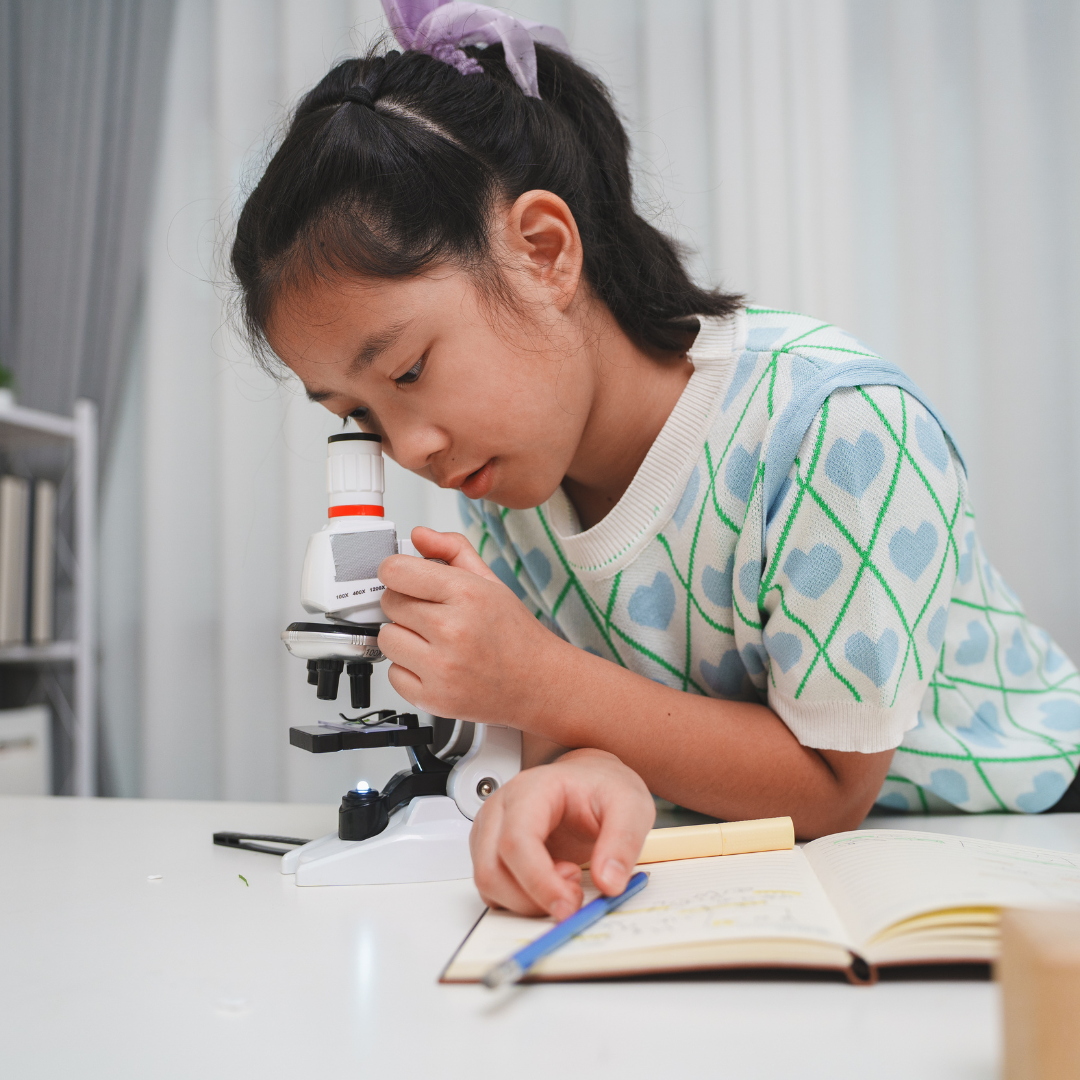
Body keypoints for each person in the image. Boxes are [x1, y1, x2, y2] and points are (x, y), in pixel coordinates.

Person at [231, 1, 1080, 925]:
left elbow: (834, 787)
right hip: (783, 859)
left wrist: (537, 679)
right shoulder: (509, 483)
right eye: (361, 417)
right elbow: (617, 720)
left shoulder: (832, 425)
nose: (411, 449)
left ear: (543, 253)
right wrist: (589, 771)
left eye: (408, 371)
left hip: (1023, 839)